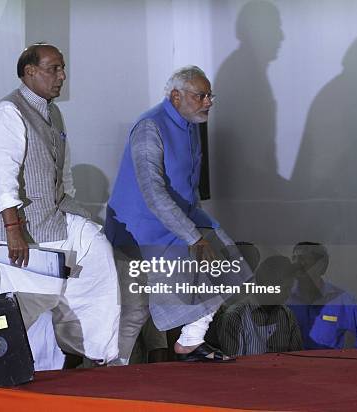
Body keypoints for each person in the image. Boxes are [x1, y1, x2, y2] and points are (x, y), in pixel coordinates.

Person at [0, 43, 120, 366]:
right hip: (5, 231)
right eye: (54, 68)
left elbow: (60, 172)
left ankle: (99, 353)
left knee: (98, 249)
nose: (62, 76)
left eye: (62, 68)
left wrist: (76, 210)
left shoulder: (53, 112)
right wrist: (13, 229)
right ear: (30, 72)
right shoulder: (8, 111)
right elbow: (1, 177)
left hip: (50, 218)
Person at [106, 65, 250, 363]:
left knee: (229, 265)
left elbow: (187, 185)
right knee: (134, 312)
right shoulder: (150, 127)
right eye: (201, 95)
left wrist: (199, 227)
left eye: (210, 95)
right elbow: (153, 192)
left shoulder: (191, 124)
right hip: (140, 231)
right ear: (175, 96)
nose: (208, 101)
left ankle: (192, 340)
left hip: (178, 222)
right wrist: (194, 236)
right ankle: (112, 368)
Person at [216, 255, 302, 356]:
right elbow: (233, 366)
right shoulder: (235, 316)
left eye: (290, 288)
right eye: (286, 288)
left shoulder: (287, 315)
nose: (288, 294)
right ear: (268, 285)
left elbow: (298, 358)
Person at [287, 242, 357, 349]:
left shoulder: (343, 300)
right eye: (294, 258)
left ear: (321, 265)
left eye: (302, 258)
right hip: (289, 364)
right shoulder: (283, 299)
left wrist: (354, 359)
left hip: (331, 364)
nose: (296, 264)